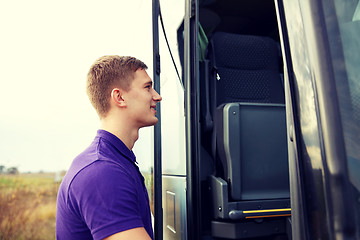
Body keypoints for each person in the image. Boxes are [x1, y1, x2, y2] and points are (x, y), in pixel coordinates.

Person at [56, 55, 162, 240]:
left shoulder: (117, 161)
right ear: (119, 97)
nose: (157, 96)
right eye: (147, 87)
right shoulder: (103, 172)